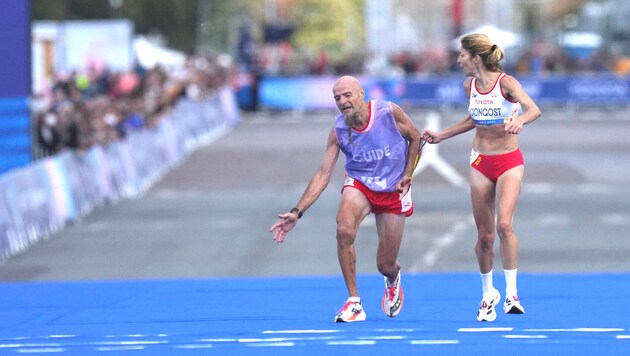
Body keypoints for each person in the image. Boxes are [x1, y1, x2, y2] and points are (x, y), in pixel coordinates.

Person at [269, 75, 422, 323]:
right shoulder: (339, 129)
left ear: (362, 94)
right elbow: (323, 174)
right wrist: (297, 212)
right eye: (337, 98)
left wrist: (408, 174)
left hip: (394, 187)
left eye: (347, 95)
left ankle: (392, 278)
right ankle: (354, 302)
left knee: (384, 264)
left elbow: (416, 138)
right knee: (343, 230)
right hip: (360, 183)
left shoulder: (388, 112)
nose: (342, 101)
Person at [422, 34, 542, 322]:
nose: (458, 60)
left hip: (509, 161)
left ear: (476, 58)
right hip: (479, 162)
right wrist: (441, 134)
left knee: (504, 225)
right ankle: (488, 295)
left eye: (462, 55)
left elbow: (533, 109)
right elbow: (472, 120)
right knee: (485, 235)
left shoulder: (507, 83)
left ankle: (511, 294)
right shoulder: (469, 86)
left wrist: (519, 121)